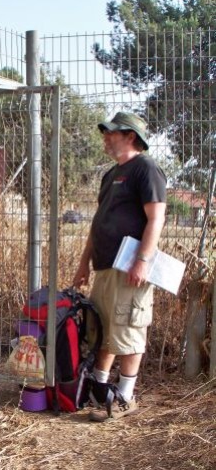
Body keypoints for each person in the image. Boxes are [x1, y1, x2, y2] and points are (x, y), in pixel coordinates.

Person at [72, 111, 166, 422]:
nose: (106, 136)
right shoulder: (111, 174)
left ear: (130, 137)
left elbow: (156, 219)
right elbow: (98, 223)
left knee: (128, 329)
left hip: (130, 268)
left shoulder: (146, 169)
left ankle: (124, 396)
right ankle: (99, 391)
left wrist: (142, 260)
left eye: (112, 132)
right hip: (105, 267)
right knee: (103, 329)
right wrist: (84, 262)